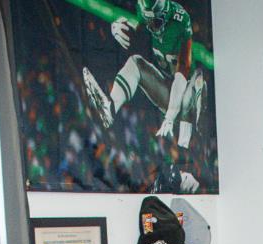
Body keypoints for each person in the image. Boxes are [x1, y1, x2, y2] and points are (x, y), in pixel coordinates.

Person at [81, 0, 207, 152]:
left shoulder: (180, 20)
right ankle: (110, 109)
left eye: (157, 22)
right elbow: (138, 33)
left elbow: (184, 67)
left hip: (186, 93)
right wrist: (118, 29)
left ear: (166, 15)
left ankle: (185, 145)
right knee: (135, 62)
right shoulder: (144, 10)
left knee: (197, 81)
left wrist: (171, 114)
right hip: (167, 87)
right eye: (149, 22)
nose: (153, 27)